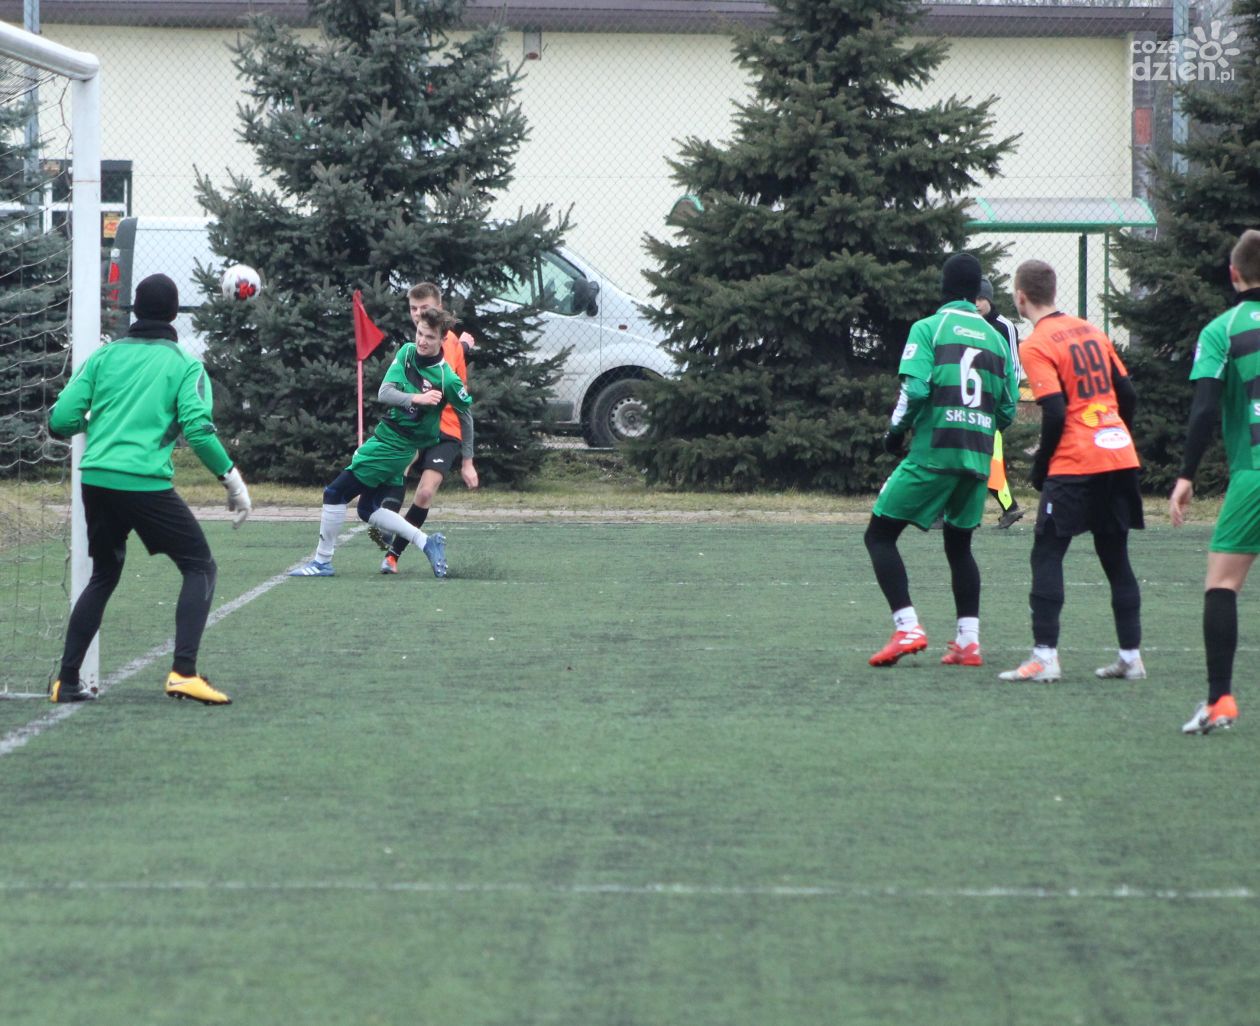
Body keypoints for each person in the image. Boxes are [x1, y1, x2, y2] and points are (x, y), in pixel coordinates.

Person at [46, 273, 252, 705]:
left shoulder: (104, 356)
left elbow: (60, 421)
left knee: (104, 574)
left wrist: (94, 422)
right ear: (175, 314)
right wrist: (232, 480)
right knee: (200, 566)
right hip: (143, 483)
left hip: (96, 480)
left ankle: (66, 680)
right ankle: (183, 673)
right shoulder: (184, 365)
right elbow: (198, 429)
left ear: (135, 311)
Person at [865, 252, 1018, 668]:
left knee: (879, 536)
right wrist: (977, 425)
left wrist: (894, 434)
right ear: (976, 292)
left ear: (944, 289)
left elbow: (915, 390)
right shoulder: (996, 339)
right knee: (959, 545)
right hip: (977, 456)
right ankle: (968, 641)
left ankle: (907, 626)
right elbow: (1008, 409)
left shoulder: (929, 328)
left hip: (934, 451)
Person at [998, 259, 1144, 684]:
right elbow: (1128, 394)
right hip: (1117, 455)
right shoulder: (1091, 330)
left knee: (1047, 552)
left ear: (1020, 297)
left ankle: (1045, 658)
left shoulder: (1036, 343)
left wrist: (1041, 465)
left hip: (1076, 460)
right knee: (1115, 557)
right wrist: (1115, 434)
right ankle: (1131, 658)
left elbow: (1057, 411)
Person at [289, 305, 471, 579]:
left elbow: (466, 416)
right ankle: (426, 542)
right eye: (420, 334)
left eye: (430, 337)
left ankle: (322, 562)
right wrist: (417, 398)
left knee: (335, 494)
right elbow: (385, 393)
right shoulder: (407, 352)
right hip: (388, 440)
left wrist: (468, 459)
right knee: (367, 509)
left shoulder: (447, 379)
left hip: (395, 447)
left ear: (442, 339)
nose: (422, 341)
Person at [1171, 229, 1260, 734]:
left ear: (1233, 274)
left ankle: (1219, 699)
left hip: (1254, 475)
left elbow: (1205, 408)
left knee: (1222, 584)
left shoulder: (1222, 330)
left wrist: (1186, 476)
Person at [372, 282, 479, 575]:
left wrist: (468, 461)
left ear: (439, 310)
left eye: (425, 308)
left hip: (446, 427)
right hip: (420, 423)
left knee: (424, 494)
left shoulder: (446, 343)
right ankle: (387, 521)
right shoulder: (417, 344)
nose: (418, 314)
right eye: (413, 309)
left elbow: (444, 369)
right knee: (400, 463)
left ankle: (393, 555)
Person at [977, 277, 1025, 529]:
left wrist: (1007, 401)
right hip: (974, 401)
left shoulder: (1004, 326)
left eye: (980, 299)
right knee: (985, 457)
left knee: (989, 458)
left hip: (994, 406)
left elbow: (1014, 367)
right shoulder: (968, 324)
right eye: (972, 299)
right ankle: (1010, 508)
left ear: (989, 299)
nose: (976, 304)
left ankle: (1010, 507)